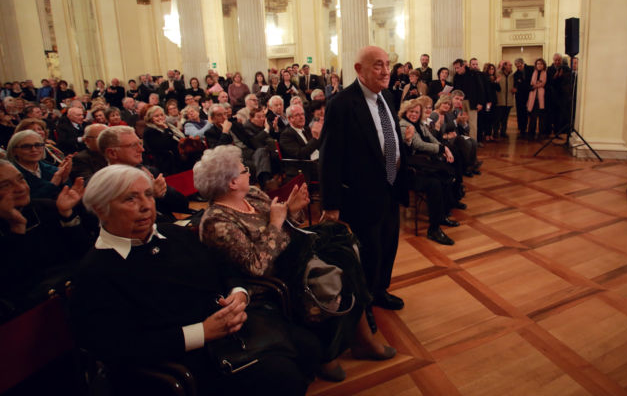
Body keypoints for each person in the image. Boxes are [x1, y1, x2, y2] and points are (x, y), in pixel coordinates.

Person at [69, 165, 314, 396]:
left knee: (308, 346)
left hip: (229, 333)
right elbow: (115, 347)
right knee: (282, 377)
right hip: (178, 360)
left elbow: (224, 268)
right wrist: (202, 332)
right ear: (102, 209)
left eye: (148, 195)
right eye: (130, 199)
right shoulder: (95, 272)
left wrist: (238, 293)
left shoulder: (174, 233)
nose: (145, 206)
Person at [194, 146, 395, 382]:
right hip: (271, 278)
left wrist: (292, 210)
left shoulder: (253, 196)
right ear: (232, 182)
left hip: (292, 254)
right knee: (342, 260)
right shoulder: (216, 221)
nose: (249, 172)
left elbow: (288, 227)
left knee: (339, 237)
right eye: (244, 170)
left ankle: (352, 343)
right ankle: (356, 341)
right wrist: (278, 222)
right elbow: (255, 266)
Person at [320, 45, 408, 318]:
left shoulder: (388, 97)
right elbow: (329, 157)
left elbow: (391, 137)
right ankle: (364, 304)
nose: (385, 72)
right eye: (378, 65)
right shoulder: (342, 104)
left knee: (389, 244)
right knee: (368, 251)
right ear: (359, 69)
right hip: (362, 194)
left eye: (387, 65)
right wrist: (331, 203)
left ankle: (380, 290)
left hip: (391, 186)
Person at [0, 160, 90, 321]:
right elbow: (15, 282)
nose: (20, 188)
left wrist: (67, 215)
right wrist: (17, 231)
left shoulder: (46, 207)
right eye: (5, 185)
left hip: (75, 292)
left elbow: (83, 252)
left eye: (21, 179)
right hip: (34, 315)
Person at [398, 100, 459, 245]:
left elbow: (432, 139)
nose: (414, 114)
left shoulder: (419, 125)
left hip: (421, 166)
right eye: (411, 111)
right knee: (435, 184)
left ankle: (442, 215)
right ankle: (434, 229)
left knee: (446, 174)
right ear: (406, 112)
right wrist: (441, 149)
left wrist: (445, 148)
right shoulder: (403, 125)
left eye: (416, 112)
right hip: (409, 171)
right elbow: (418, 144)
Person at [7, 130, 73, 200]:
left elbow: (68, 196)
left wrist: (64, 179)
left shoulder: (53, 170)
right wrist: (52, 184)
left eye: (38, 145)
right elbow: (22, 202)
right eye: (26, 146)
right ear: (14, 151)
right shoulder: (9, 175)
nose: (34, 149)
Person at [142, 105, 185, 175]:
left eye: (162, 115)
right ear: (150, 118)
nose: (160, 118)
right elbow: (165, 144)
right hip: (166, 165)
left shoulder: (169, 126)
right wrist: (165, 128)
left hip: (179, 160)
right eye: (156, 116)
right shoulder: (149, 131)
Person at [526, 58, 547, 139]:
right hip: (533, 98)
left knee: (542, 118)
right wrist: (535, 85)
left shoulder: (545, 73)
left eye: (541, 64)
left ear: (543, 65)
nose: (539, 65)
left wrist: (537, 85)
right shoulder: (533, 72)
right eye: (538, 64)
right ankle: (531, 133)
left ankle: (541, 133)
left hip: (542, 98)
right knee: (532, 117)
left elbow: (543, 83)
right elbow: (531, 84)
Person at [494, 61, 515, 139]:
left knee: (505, 118)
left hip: (508, 100)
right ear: (504, 66)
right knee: (498, 118)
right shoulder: (497, 74)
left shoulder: (512, 75)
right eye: (509, 65)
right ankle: (496, 132)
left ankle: (503, 132)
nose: (511, 66)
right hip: (500, 100)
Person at [512, 58, 532, 135]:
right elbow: (516, 85)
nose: (518, 68)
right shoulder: (516, 74)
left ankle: (530, 129)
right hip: (520, 96)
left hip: (530, 94)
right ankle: (522, 128)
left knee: (530, 113)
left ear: (523, 63)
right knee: (521, 112)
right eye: (517, 66)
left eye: (520, 66)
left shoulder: (531, 69)